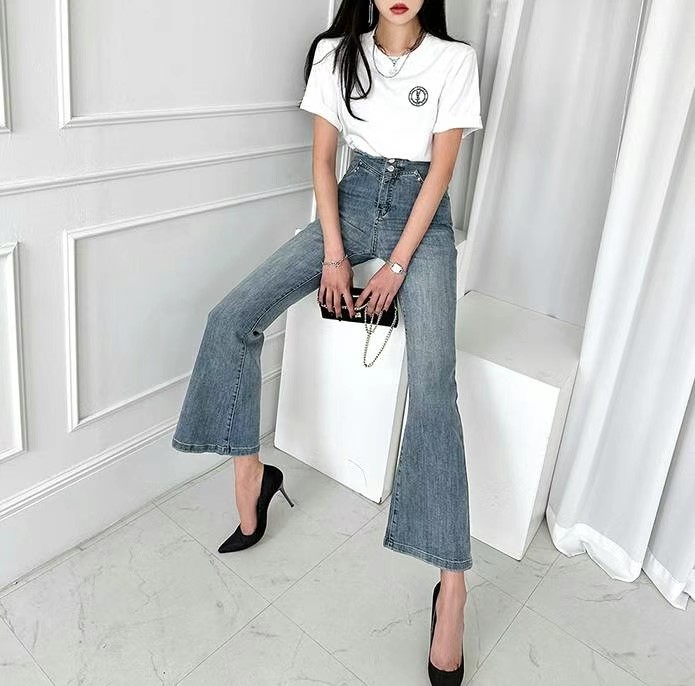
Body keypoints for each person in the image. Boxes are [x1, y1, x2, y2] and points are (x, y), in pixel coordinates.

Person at [171, 1, 483, 683]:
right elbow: (321, 158)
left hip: (421, 223)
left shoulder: (454, 60)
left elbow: (440, 172)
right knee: (231, 317)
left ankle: (452, 588)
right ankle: (251, 472)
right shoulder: (336, 53)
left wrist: (395, 266)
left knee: (434, 387)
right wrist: (336, 255)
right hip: (352, 201)